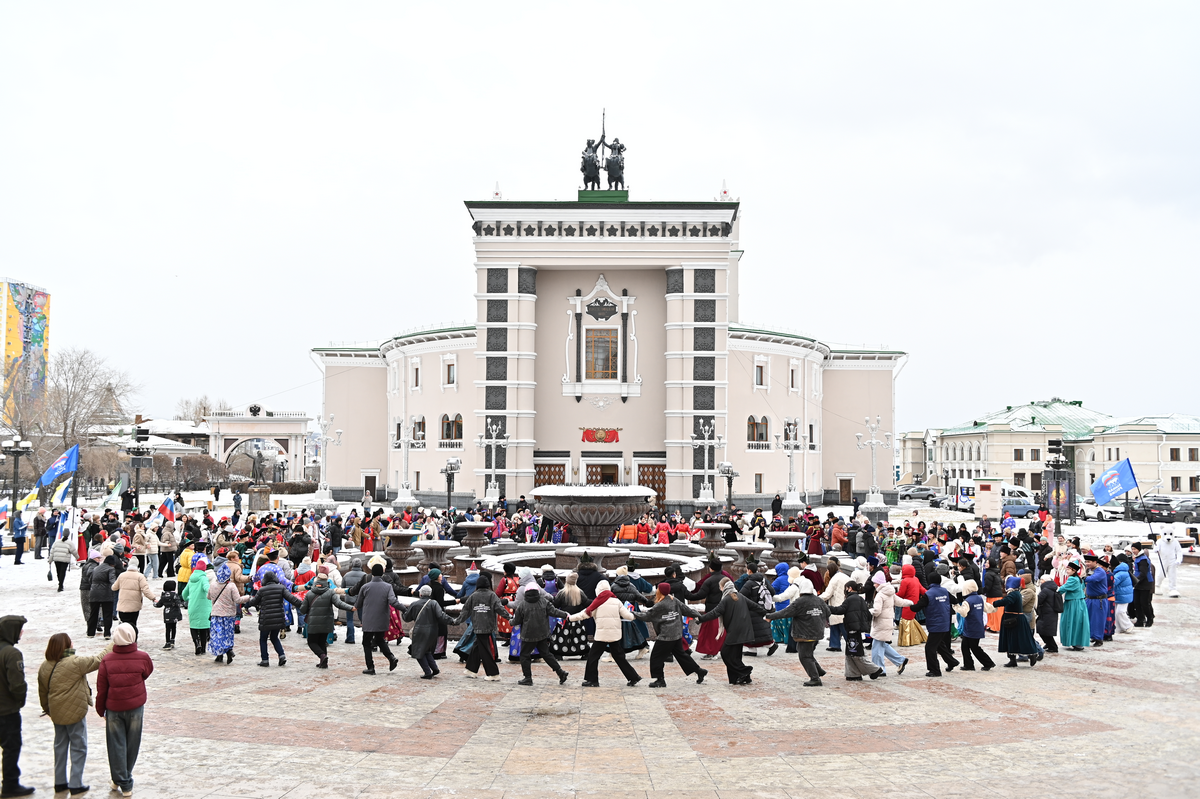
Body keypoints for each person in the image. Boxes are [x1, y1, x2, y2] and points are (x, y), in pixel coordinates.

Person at [38, 633, 112, 796]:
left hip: (56, 712)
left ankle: (60, 782)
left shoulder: (44, 666)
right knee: (79, 746)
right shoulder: (75, 662)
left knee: (60, 746)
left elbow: (42, 692)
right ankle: (76, 783)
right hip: (75, 712)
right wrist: (114, 643)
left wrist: (48, 709)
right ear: (66, 646)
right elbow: (98, 660)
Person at [95, 623, 153, 798]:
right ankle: (124, 781)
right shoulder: (143, 657)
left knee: (116, 744)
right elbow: (146, 673)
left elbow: (102, 688)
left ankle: (121, 780)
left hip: (114, 708)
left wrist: (100, 709)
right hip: (135, 707)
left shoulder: (107, 660)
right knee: (132, 743)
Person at [570, 580, 643, 687]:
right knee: (619, 657)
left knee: (593, 657)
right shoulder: (616, 601)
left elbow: (583, 615)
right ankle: (633, 677)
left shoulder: (597, 602)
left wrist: (569, 618)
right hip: (615, 635)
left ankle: (592, 680)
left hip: (602, 635)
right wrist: (634, 615)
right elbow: (628, 616)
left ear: (598, 590)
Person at [695, 578, 765, 685]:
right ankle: (739, 678)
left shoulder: (726, 599)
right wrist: (766, 614)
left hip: (734, 631)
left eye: (720, 587)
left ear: (723, 587)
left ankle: (744, 671)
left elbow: (715, 613)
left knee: (725, 653)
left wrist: (701, 619)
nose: (720, 589)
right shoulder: (741, 596)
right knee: (736, 655)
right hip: (744, 630)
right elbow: (755, 607)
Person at [634, 582, 705, 687]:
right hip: (676, 633)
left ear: (660, 591)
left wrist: (632, 613)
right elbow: (687, 610)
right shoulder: (674, 600)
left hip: (666, 635)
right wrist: (699, 616)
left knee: (656, 657)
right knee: (681, 655)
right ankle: (699, 671)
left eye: (658, 589)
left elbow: (647, 616)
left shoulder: (660, 605)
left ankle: (660, 680)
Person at [766, 576, 829, 686]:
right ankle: (818, 671)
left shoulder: (800, 602)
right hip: (817, 632)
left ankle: (815, 678)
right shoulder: (819, 600)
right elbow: (828, 612)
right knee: (808, 653)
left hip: (805, 634)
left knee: (804, 656)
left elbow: (786, 612)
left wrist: (770, 616)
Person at [237, 571, 302, 667]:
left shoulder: (262, 590)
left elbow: (253, 602)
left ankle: (265, 660)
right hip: (278, 618)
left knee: (263, 639)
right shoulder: (281, 588)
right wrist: (303, 605)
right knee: (274, 637)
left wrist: (248, 599)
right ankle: (282, 655)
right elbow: (292, 599)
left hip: (266, 619)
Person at [454, 574, 511, 680]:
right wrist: (510, 618)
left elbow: (465, 611)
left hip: (477, 625)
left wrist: (457, 621)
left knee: (484, 650)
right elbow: (500, 609)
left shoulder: (473, 596)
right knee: (477, 647)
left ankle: (493, 674)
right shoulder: (492, 595)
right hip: (489, 626)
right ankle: (471, 669)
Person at [510, 587, 570, 686]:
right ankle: (560, 672)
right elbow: (554, 611)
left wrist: (510, 622)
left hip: (528, 635)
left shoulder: (522, 604)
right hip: (542, 634)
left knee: (524, 655)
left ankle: (528, 678)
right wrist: (565, 615)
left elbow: (516, 621)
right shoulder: (544, 602)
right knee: (546, 654)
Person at [826, 581, 884, 681]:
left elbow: (840, 610)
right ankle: (853, 674)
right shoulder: (860, 599)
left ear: (850, 588)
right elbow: (867, 614)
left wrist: (827, 608)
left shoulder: (850, 599)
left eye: (846, 588)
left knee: (855, 653)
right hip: (858, 629)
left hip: (852, 628)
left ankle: (874, 670)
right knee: (850, 652)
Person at [0, 616, 32, 798]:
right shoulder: (11, 653)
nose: (22, 632)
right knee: (11, 747)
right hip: (7, 711)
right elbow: (17, 685)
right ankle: (10, 784)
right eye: (20, 629)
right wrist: (20, 700)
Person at [354, 562, 404, 674]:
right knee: (380, 639)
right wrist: (404, 609)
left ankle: (370, 667)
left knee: (366, 643)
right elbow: (393, 601)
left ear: (372, 573)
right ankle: (391, 657)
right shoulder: (388, 587)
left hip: (368, 620)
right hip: (382, 618)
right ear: (382, 574)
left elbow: (358, 604)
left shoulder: (365, 587)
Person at [299, 575, 355, 669]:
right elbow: (339, 604)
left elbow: (303, 610)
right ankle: (323, 663)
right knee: (322, 642)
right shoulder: (330, 592)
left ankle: (322, 656)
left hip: (313, 622)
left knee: (311, 642)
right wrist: (351, 608)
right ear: (327, 581)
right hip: (326, 622)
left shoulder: (309, 593)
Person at [912, 573, 959, 677]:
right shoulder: (945, 591)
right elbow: (955, 600)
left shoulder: (928, 594)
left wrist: (909, 605)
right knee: (939, 645)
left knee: (930, 648)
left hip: (935, 624)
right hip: (945, 623)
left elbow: (917, 607)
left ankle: (935, 670)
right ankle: (951, 661)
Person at [868, 570, 911, 676]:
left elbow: (877, 611)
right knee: (881, 644)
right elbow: (900, 602)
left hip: (880, 624)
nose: (874, 585)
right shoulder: (890, 592)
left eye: (875, 583)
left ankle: (879, 669)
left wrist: (868, 611)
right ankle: (900, 660)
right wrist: (911, 603)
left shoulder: (879, 595)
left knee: (876, 648)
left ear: (879, 583)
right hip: (888, 623)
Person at [995, 576, 1040, 667]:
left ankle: (1032, 654)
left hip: (1015, 619)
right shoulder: (1015, 593)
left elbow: (1007, 601)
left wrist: (995, 603)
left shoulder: (1013, 594)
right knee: (1010, 639)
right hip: (1012, 618)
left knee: (1021, 639)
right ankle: (1012, 660)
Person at [952, 580, 995, 671]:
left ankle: (987, 663)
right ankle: (969, 665)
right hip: (978, 626)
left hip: (970, 627)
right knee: (967, 646)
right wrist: (996, 606)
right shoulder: (979, 598)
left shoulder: (967, 601)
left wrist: (956, 607)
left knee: (973, 648)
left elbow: (964, 613)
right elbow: (988, 608)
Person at [112, 560, 158, 634]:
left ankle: (123, 638)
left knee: (124, 624)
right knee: (133, 624)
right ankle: (133, 638)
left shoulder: (122, 575)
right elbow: (145, 590)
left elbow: (114, 588)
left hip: (122, 604)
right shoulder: (140, 576)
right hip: (134, 605)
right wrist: (153, 598)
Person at [207, 563, 240, 664]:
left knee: (217, 634)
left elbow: (208, 597)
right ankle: (229, 651)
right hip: (229, 615)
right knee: (228, 634)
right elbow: (237, 600)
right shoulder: (231, 586)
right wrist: (248, 598)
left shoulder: (213, 585)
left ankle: (219, 655)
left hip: (216, 614)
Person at [182, 558, 213, 655]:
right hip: (204, 607)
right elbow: (207, 588)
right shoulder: (204, 578)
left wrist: (189, 598)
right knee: (204, 628)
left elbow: (184, 594)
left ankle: (196, 644)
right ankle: (203, 648)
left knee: (194, 626)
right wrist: (211, 595)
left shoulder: (191, 578)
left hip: (193, 605)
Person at [819, 556, 850, 651]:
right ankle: (842, 644)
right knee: (839, 625)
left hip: (836, 604)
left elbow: (828, 594)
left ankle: (838, 645)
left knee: (838, 625)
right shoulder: (844, 576)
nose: (827, 572)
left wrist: (817, 598)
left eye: (828, 570)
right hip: (845, 603)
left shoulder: (834, 579)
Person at [88, 556, 118, 640]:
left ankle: (90, 633)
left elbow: (90, 580)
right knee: (107, 614)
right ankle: (107, 633)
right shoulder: (111, 569)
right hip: (106, 594)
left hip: (94, 593)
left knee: (93, 613)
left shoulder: (96, 568)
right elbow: (112, 581)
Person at [1083, 554, 1109, 647]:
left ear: (1095, 562)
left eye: (1089, 562)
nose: (1087, 564)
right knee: (1090, 619)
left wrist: (1083, 578)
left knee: (1098, 620)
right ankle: (1093, 635)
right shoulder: (1089, 570)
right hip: (1090, 598)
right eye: (1086, 562)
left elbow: (1093, 579)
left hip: (1099, 600)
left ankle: (1099, 638)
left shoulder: (1100, 571)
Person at [153, 581, 183, 650]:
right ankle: (172, 640)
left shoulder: (164, 595)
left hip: (167, 614)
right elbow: (179, 603)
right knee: (174, 627)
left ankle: (167, 642)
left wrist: (154, 603)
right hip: (175, 613)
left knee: (168, 628)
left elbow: (159, 605)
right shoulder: (175, 595)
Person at [1130, 543, 1155, 626]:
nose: (1133, 551)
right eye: (1132, 549)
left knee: (1144, 603)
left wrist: (1135, 581)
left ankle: (1150, 619)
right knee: (1137, 602)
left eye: (1135, 549)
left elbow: (1143, 573)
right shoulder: (1137, 558)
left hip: (1145, 583)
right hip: (1138, 583)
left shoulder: (1143, 559)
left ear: (1139, 549)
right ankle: (1140, 620)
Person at [1036, 575, 1062, 652]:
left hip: (1045, 612)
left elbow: (1038, 600)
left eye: (1042, 580)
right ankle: (1049, 644)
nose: (1041, 581)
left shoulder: (1045, 590)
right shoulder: (1053, 588)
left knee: (1043, 630)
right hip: (1051, 613)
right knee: (1046, 630)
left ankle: (1053, 647)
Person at [1112, 559, 1135, 634]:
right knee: (1117, 612)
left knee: (1120, 611)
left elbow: (1113, 582)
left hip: (1123, 595)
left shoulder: (1120, 573)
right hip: (1121, 594)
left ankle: (1128, 625)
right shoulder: (1121, 571)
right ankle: (1120, 627)